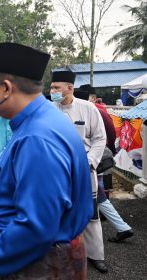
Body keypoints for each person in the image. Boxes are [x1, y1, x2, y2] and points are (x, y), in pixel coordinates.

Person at [0, 42, 92, 279]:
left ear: (6, 88)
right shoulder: (37, 121)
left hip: (37, 262)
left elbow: (36, 227)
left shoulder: (37, 138)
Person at [50, 70, 108, 273]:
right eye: (51, 87)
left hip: (84, 167)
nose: (53, 91)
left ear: (70, 88)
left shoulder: (88, 108)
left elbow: (100, 138)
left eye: (57, 87)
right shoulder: (49, 109)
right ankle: (60, 253)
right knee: (59, 210)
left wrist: (90, 161)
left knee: (90, 213)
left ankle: (96, 255)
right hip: (57, 169)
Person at [78, 84, 134, 243]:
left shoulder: (96, 111)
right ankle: (122, 227)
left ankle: (117, 227)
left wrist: (99, 154)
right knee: (99, 195)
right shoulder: (92, 111)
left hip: (95, 160)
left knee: (98, 194)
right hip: (94, 160)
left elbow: (107, 134)